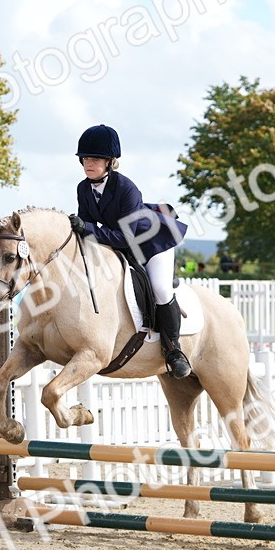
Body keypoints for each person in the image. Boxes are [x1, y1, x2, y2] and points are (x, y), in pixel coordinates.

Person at [67, 124, 192, 378]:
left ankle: (174, 350)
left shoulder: (126, 189)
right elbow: (87, 227)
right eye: (85, 158)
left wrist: (87, 230)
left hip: (151, 241)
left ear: (110, 162)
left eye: (95, 158)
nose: (88, 163)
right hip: (119, 241)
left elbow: (124, 236)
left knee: (160, 288)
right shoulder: (83, 188)